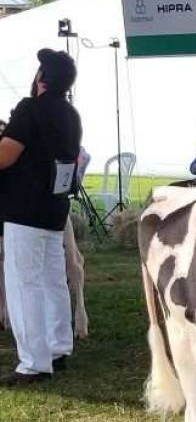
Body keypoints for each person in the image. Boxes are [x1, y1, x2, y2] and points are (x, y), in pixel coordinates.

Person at [0, 49, 82, 385]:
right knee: (52, 280)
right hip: (54, 207)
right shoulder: (71, 114)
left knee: (24, 284)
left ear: (42, 79)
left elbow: (5, 157)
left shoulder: (29, 109)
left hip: (24, 209)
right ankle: (58, 346)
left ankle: (33, 363)